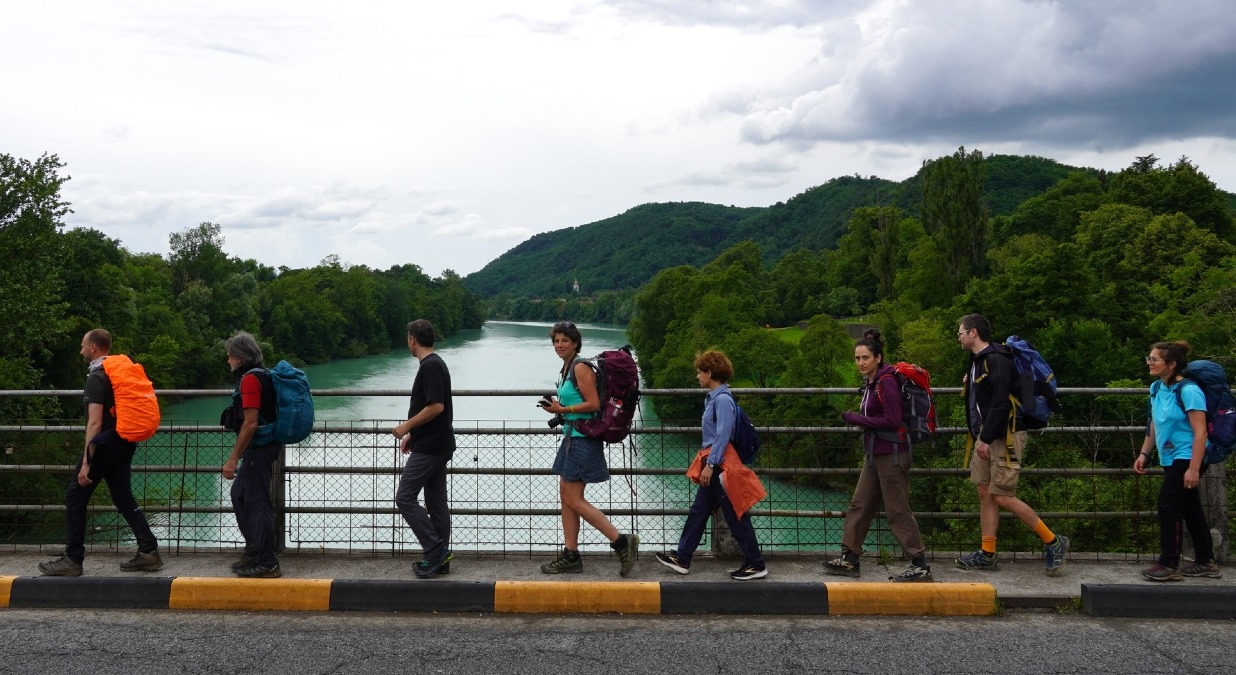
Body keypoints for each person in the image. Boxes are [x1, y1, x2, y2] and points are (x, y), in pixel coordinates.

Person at [39, 329, 163, 577]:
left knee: (76, 496)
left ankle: (73, 559)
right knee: (123, 496)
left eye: (83, 346)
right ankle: (149, 551)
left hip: (104, 445)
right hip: (124, 440)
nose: (81, 350)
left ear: (94, 348)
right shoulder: (118, 371)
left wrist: (87, 462)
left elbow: (94, 424)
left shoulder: (97, 377)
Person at [955, 313, 1069, 575]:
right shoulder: (978, 361)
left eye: (960, 332)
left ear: (973, 332)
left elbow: (1000, 402)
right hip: (988, 433)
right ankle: (988, 552)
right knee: (985, 491)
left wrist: (984, 439)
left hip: (1005, 435)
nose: (958, 336)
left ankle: (1053, 541)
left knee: (1002, 495)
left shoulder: (996, 360)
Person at [823, 330, 931, 582]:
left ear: (878, 358)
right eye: (857, 358)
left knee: (897, 510)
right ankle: (850, 558)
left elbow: (892, 419)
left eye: (865, 358)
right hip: (875, 452)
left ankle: (920, 564)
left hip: (892, 454)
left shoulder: (887, 382)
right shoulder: (872, 383)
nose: (860, 362)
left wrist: (854, 418)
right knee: (859, 504)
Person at [655, 350, 768, 580]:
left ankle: (756, 563)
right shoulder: (714, 398)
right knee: (699, 511)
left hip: (720, 464)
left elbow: (723, 433)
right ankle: (683, 557)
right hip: (715, 461)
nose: (697, 376)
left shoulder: (723, 400)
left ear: (709, 373)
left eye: (699, 372)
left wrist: (711, 465)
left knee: (736, 514)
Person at [538, 321, 639, 576]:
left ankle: (621, 541)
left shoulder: (580, 367)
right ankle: (571, 554)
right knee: (566, 496)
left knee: (573, 498)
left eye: (564, 341)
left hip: (583, 439)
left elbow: (594, 405)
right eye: (556, 341)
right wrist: (559, 408)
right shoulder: (567, 368)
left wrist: (563, 410)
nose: (559, 345)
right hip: (573, 436)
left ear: (575, 343)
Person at [1133, 341, 1220, 581]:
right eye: (1148, 358)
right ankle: (1206, 561)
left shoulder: (1189, 391)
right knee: (1189, 507)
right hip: (1170, 455)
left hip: (1188, 455)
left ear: (1171, 364)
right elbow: (1154, 424)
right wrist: (1144, 454)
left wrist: (1193, 468)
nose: (1149, 363)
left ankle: (1169, 563)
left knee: (1167, 504)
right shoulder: (1156, 388)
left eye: (1154, 359)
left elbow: (1200, 432)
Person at [391, 319, 455, 578]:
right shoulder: (435, 364)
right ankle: (440, 559)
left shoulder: (430, 367)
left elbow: (436, 406)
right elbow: (433, 409)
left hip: (431, 447)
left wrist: (406, 427)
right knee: (436, 502)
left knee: (404, 497)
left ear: (412, 340)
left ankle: (436, 551)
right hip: (434, 442)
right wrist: (414, 436)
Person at [221, 331, 283, 578]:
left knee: (257, 503)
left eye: (230, 356)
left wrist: (233, 458)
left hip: (259, 448)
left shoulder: (249, 380)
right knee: (239, 495)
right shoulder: (261, 375)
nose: (228, 361)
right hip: (260, 447)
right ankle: (255, 551)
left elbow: (250, 423)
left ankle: (268, 562)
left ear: (239, 357)